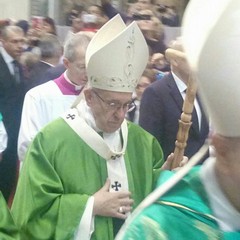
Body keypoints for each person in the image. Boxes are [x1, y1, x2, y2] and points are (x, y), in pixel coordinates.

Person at [12, 15, 185, 240]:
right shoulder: (51, 142)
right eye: (113, 104)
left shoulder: (141, 141)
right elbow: (32, 214)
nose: (121, 115)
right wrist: (89, 206)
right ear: (90, 97)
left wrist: (162, 177)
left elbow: (143, 198)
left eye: (127, 105)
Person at [117, 0, 240, 239]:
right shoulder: (156, 229)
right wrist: (163, 170)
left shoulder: (204, 96)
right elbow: (150, 142)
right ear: (222, 150)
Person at [17, 32, 92, 163]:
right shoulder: (38, 96)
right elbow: (27, 145)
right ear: (66, 63)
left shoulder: (97, 97)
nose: (88, 73)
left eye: (92, 66)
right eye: (82, 67)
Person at [139, 38, 209, 160]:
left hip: (200, 172)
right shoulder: (156, 93)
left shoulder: (202, 91)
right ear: (175, 60)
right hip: (172, 173)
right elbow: (149, 143)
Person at [0, 25, 25, 202]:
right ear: (3, 42)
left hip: (15, 132)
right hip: (2, 132)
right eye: (14, 42)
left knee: (8, 177)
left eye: (22, 41)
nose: (20, 45)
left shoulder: (19, 65)